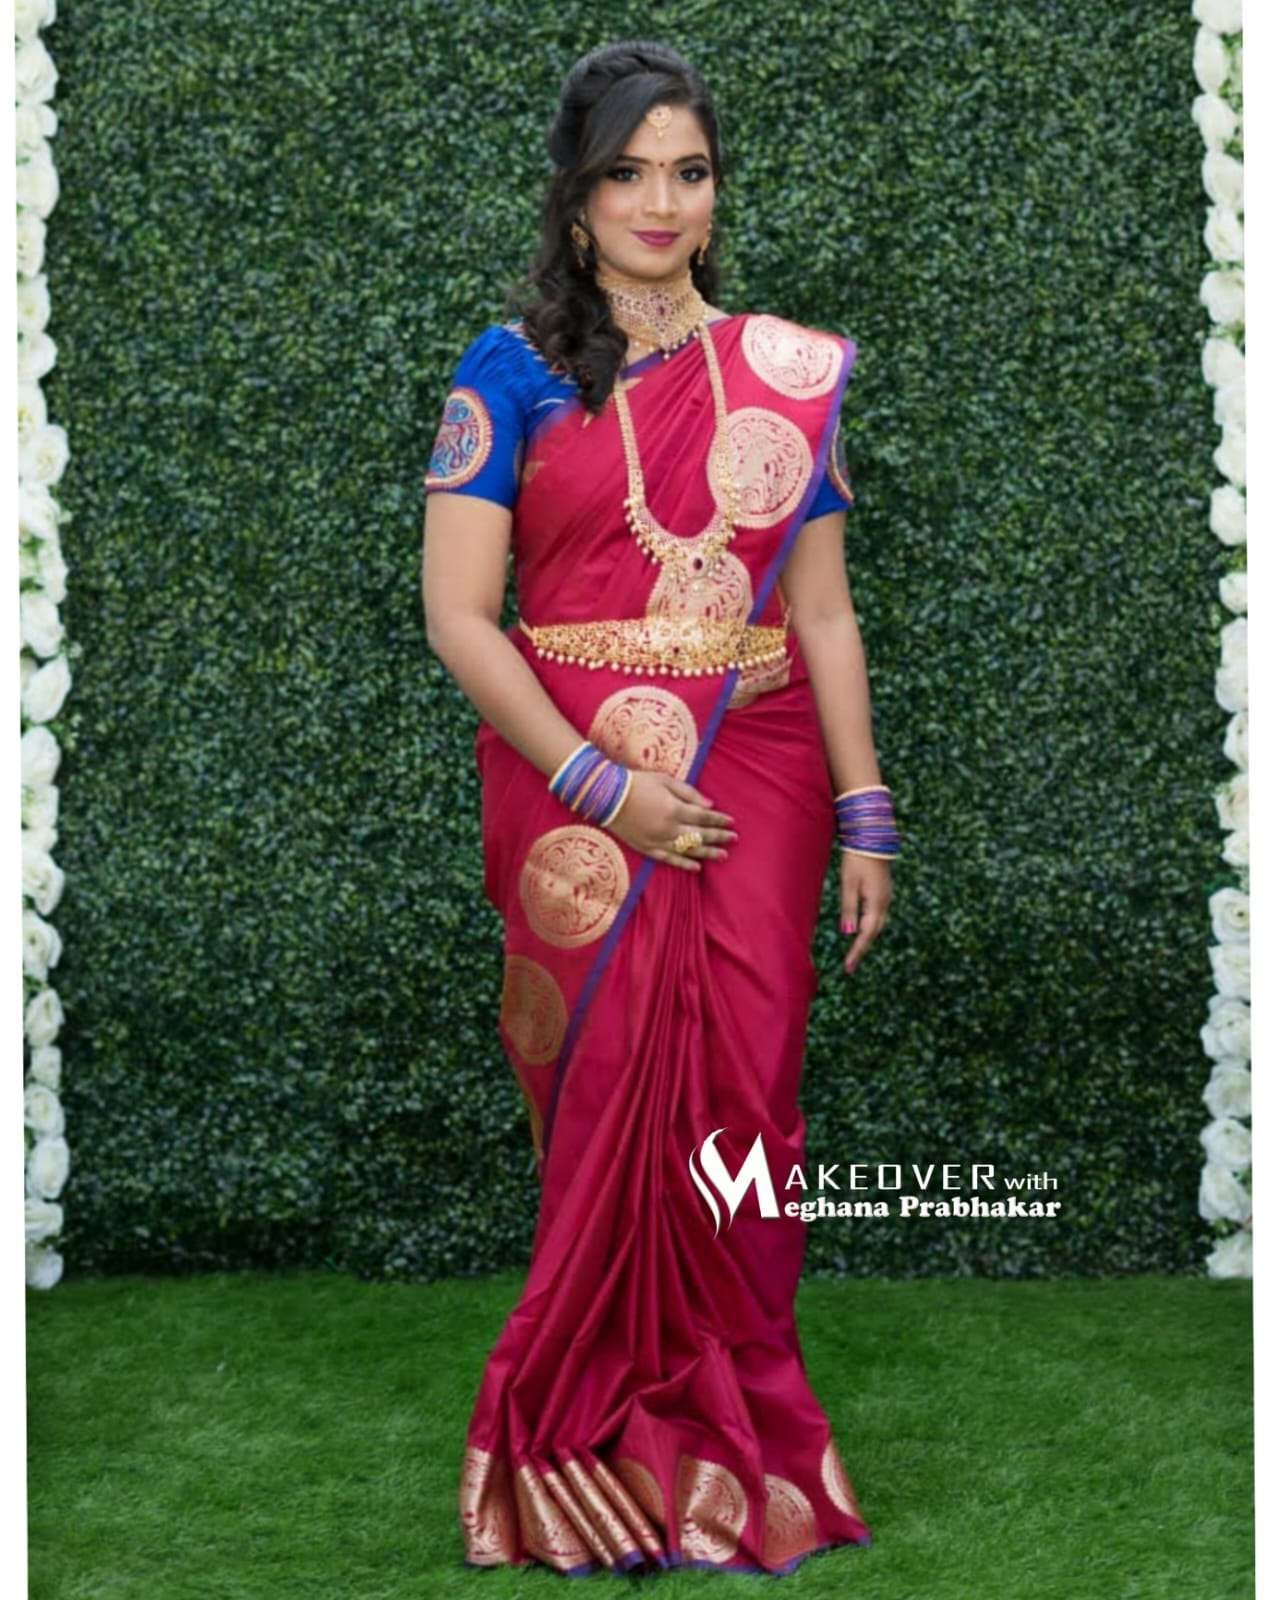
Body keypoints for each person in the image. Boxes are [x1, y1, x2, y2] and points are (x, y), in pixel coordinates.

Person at [420, 38, 900, 1580]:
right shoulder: (508, 372)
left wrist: (866, 808)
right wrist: (601, 785)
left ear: (716, 191)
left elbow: (822, 611)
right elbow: (459, 618)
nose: (660, 201)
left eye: (688, 172)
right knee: (612, 1092)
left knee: (746, 1095)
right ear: (575, 196)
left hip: (757, 765)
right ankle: (584, 1456)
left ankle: (735, 1451)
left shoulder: (786, 379)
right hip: (574, 779)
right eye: (626, 171)